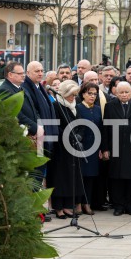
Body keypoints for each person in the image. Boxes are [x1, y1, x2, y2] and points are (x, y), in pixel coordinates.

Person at [102, 82, 131, 216]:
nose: (124, 95)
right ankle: (118, 206)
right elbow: (105, 129)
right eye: (121, 92)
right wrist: (105, 149)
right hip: (115, 147)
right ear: (116, 93)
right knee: (116, 178)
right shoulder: (110, 106)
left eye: (127, 92)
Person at [47, 80, 84, 219]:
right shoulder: (56, 106)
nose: (73, 98)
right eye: (71, 95)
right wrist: (69, 136)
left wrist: (79, 135)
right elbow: (56, 126)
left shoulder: (75, 106)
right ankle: (58, 208)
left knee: (71, 177)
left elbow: (81, 123)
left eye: (75, 95)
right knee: (59, 178)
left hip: (73, 148)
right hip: (60, 148)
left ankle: (69, 206)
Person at [76, 83, 103, 215]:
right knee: (81, 176)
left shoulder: (97, 109)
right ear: (83, 94)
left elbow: (101, 128)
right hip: (82, 146)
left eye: (94, 94)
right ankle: (78, 204)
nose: (92, 96)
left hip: (94, 146)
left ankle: (87, 203)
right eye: (89, 93)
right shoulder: (78, 108)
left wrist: (101, 148)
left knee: (91, 176)